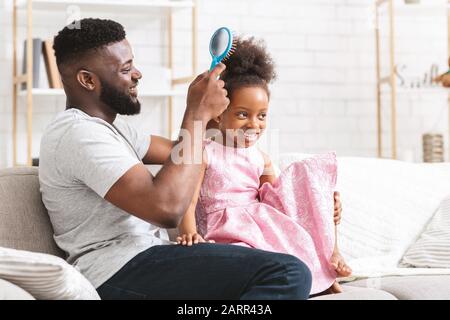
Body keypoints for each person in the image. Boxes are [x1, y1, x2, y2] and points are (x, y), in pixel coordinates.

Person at [38, 18, 313, 300]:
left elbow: (195, 152)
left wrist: (310, 197)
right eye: (126, 68)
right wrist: (196, 112)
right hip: (116, 272)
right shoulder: (78, 133)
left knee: (286, 266)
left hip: (152, 260)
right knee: (289, 273)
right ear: (87, 80)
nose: (138, 74)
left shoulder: (114, 129)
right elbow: (166, 208)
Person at [175, 37, 352, 295]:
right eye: (242, 114)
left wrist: (323, 202)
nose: (254, 124)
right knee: (251, 259)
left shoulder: (260, 157)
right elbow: (187, 201)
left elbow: (279, 198)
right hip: (224, 229)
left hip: (260, 224)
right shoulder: (204, 151)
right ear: (219, 113)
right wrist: (190, 233)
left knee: (294, 233)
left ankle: (325, 273)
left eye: (262, 115)